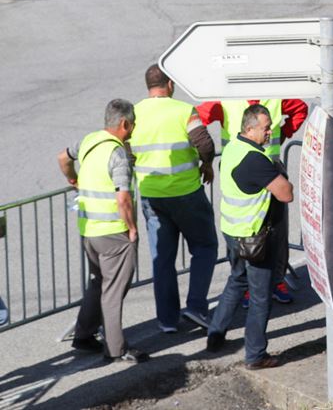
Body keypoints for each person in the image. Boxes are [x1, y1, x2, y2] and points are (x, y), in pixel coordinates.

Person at [57, 99, 149, 363]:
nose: (133, 130)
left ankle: (84, 335)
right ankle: (116, 348)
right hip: (113, 233)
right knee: (114, 290)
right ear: (124, 123)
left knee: (99, 283)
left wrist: (71, 178)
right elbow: (123, 199)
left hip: (89, 231)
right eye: (133, 124)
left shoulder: (89, 141)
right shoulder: (117, 154)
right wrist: (132, 229)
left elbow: (63, 157)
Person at [206, 104, 294, 370]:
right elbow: (286, 193)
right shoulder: (255, 160)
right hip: (254, 238)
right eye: (266, 128)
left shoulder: (234, 147)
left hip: (233, 232)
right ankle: (255, 355)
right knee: (260, 297)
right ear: (250, 128)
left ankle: (215, 333)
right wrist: (278, 172)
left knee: (237, 280)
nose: (270, 132)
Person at [197, 98, 308, 305]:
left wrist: (283, 134)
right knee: (243, 231)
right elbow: (196, 119)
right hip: (241, 171)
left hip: (269, 169)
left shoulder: (272, 98)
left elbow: (300, 108)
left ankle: (276, 281)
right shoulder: (226, 99)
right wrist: (207, 154)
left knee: (276, 232)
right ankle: (247, 286)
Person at [132, 64, 218, 333]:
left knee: (162, 259)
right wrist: (206, 164)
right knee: (205, 247)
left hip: (151, 196)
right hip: (186, 193)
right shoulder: (183, 110)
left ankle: (167, 321)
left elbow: (125, 150)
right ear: (169, 84)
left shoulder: (133, 113)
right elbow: (204, 143)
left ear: (148, 86)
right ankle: (195, 307)